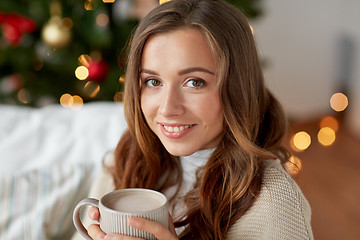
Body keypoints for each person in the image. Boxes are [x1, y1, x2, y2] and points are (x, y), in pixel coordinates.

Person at [72, 0, 313, 239]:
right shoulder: (127, 157)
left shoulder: (273, 206)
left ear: (237, 87)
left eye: (194, 82)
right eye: (153, 82)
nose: (167, 109)